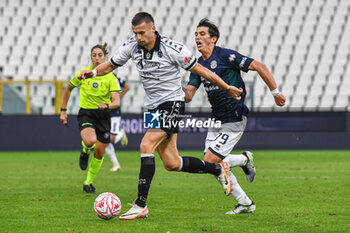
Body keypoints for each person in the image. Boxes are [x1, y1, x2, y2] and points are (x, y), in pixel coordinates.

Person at [79, 12, 244, 220]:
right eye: (135, 33)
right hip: (152, 108)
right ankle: (218, 169)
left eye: (141, 33)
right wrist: (92, 73)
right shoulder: (131, 46)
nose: (138, 37)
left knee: (145, 145)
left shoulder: (173, 49)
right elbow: (110, 65)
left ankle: (140, 205)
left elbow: (202, 71)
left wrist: (227, 86)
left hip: (172, 104)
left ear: (152, 29)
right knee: (171, 163)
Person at [184, 19, 286, 214]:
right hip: (216, 118)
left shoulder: (225, 56)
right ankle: (246, 201)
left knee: (211, 161)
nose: (197, 37)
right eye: (196, 34)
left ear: (213, 39)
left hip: (234, 116)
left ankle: (245, 163)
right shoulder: (197, 65)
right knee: (210, 165)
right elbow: (188, 95)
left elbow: (260, 66)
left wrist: (275, 93)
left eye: (202, 34)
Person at [60, 43, 121, 193]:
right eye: (94, 55)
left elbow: (116, 101)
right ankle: (85, 150)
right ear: (91, 57)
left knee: (99, 153)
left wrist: (106, 106)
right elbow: (68, 88)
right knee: (89, 140)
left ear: (105, 57)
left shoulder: (111, 78)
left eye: (100, 55)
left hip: (103, 116)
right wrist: (63, 110)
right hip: (86, 113)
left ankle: (88, 182)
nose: (97, 58)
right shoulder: (83, 73)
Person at [104, 75, 129, 172]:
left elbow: (127, 87)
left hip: (114, 112)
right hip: (104, 112)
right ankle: (116, 164)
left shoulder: (114, 77)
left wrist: (118, 98)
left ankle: (121, 133)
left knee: (111, 139)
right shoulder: (99, 76)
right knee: (105, 141)